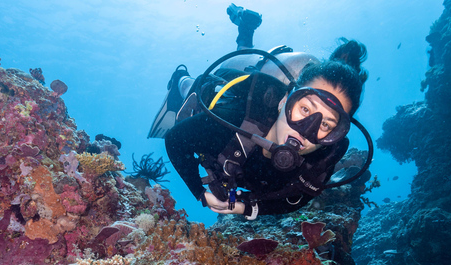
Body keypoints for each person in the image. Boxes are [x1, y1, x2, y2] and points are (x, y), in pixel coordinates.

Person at [152, 5, 370, 220]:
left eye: (326, 124)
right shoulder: (235, 120)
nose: (306, 131)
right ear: (285, 100)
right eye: (305, 109)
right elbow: (175, 140)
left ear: (337, 134)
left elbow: (296, 199)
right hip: (233, 90)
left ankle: (246, 28)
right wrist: (200, 193)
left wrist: (246, 208)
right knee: (202, 89)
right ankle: (180, 78)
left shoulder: (323, 156)